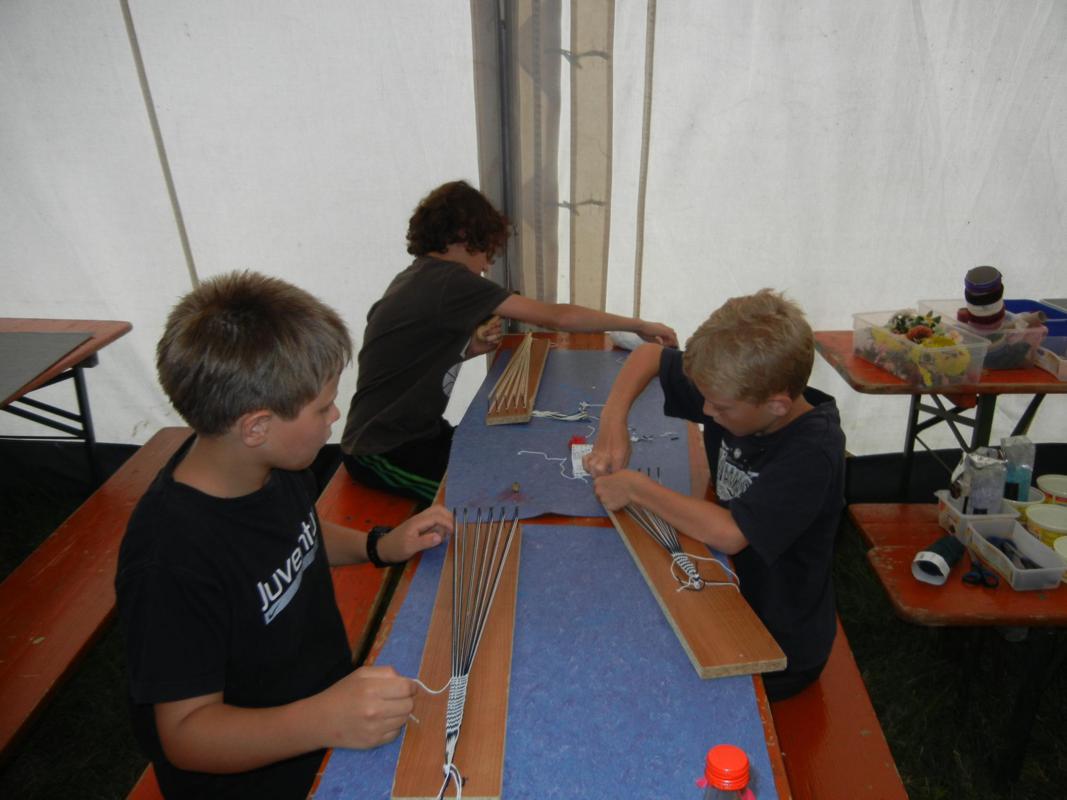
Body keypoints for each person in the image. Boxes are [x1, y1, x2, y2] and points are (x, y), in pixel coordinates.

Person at [115, 271, 453, 798]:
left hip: (326, 712)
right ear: (257, 426)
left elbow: (300, 533)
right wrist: (324, 719)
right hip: (260, 775)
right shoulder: (171, 559)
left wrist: (380, 545)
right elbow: (185, 735)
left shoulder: (270, 468)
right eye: (322, 407)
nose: (336, 414)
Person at [340, 180, 679, 503]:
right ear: (463, 235)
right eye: (486, 252)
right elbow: (558, 317)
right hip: (382, 450)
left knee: (502, 464)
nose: (487, 266)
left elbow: (405, 354)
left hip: (420, 432)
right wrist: (637, 324)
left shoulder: (417, 276)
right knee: (488, 499)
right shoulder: (449, 280)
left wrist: (469, 348)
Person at [583, 288, 844, 701]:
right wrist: (612, 421)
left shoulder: (812, 453)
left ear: (777, 405)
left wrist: (636, 487)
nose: (706, 412)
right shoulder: (736, 392)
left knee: (654, 692)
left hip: (777, 640)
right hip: (725, 585)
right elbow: (649, 356)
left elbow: (731, 533)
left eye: (719, 408)